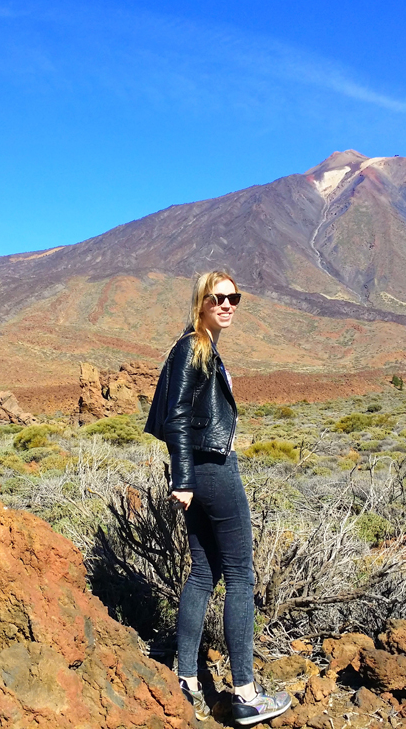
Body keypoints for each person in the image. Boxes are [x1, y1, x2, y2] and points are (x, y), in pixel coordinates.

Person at [145, 271, 291, 726]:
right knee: (241, 576)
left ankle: (185, 679)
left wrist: (186, 479)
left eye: (234, 298)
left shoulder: (200, 345)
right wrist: (184, 479)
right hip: (211, 470)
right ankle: (245, 693)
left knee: (204, 573)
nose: (227, 305)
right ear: (201, 301)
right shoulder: (195, 347)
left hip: (199, 472)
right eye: (218, 297)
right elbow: (177, 419)